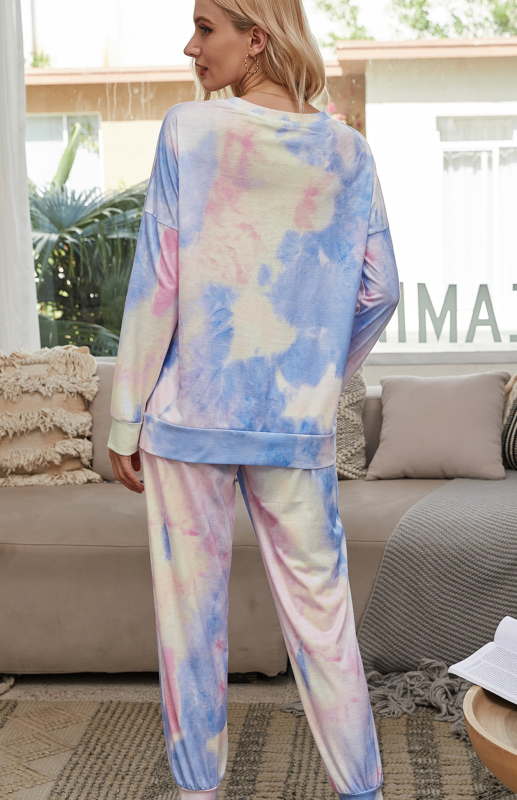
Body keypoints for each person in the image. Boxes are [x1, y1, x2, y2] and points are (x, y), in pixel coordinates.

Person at [108, 0, 399, 797]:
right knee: (324, 623)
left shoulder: (188, 130)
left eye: (205, 28)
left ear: (256, 38)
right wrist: (315, 375)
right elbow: (381, 291)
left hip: (186, 420)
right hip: (292, 426)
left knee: (190, 629)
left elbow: (158, 281)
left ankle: (198, 792)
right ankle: (362, 790)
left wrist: (126, 417)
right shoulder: (348, 150)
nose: (190, 46)